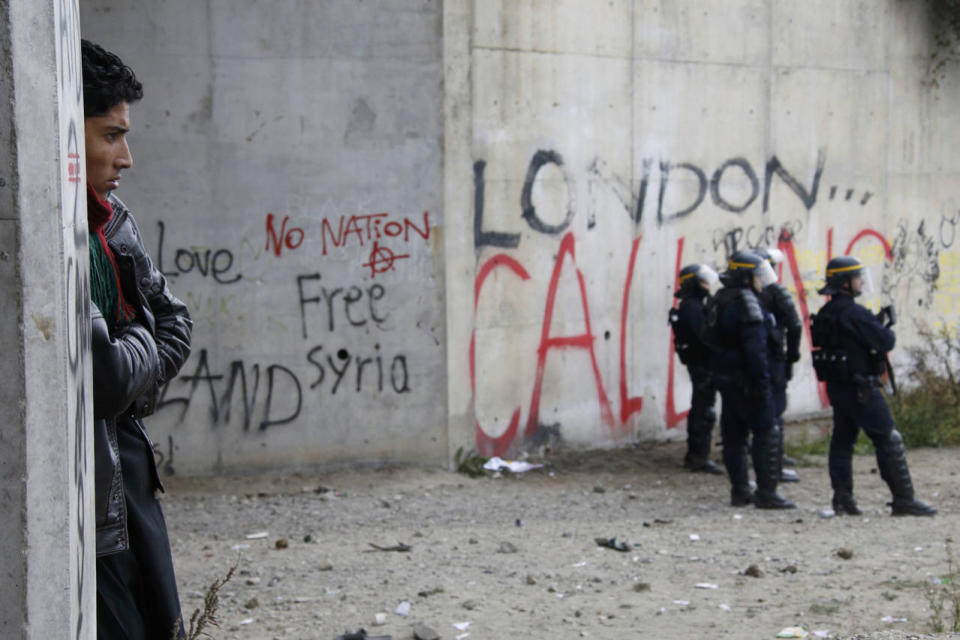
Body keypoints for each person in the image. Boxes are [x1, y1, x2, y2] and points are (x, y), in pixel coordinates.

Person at [83, 39, 194, 638]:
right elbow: (110, 379)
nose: (126, 158)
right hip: (92, 494)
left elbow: (176, 323)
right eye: (110, 135)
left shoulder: (114, 223)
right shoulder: (61, 242)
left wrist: (134, 347)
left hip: (128, 476)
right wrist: (137, 345)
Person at [811, 256, 935, 517]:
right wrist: (879, 325)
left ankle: (843, 498)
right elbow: (885, 340)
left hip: (839, 387)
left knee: (842, 441)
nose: (860, 282)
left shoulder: (827, 313)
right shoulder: (854, 313)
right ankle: (903, 499)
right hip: (861, 389)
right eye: (856, 278)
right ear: (845, 283)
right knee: (888, 438)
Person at [706, 250, 794, 509]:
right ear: (746, 277)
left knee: (734, 438)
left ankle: (740, 491)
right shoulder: (748, 303)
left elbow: (709, 338)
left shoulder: (720, 298)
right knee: (766, 432)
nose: (761, 282)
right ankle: (767, 492)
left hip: (727, 379)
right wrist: (762, 382)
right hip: (748, 381)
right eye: (757, 276)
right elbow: (756, 348)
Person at [755, 247, 803, 483]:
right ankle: (774, 463)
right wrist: (791, 355)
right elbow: (794, 325)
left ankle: (767, 459)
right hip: (771, 360)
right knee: (774, 411)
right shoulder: (773, 293)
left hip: (755, 359)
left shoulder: (741, 293)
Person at [669, 264, 722, 474]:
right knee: (703, 409)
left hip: (702, 362)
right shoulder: (691, 306)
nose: (707, 285)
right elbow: (703, 335)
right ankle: (698, 456)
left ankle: (698, 455)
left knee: (703, 406)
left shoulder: (696, 304)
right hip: (701, 363)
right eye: (702, 281)